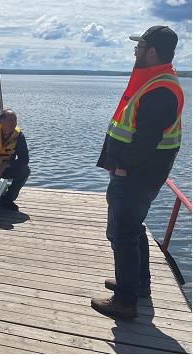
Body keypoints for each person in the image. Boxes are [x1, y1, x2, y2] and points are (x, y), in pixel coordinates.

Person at [91, 26, 183, 319]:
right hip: (134, 175)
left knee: (122, 232)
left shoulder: (161, 89)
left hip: (134, 177)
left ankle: (125, 301)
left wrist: (123, 166)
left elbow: (147, 140)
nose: (135, 51)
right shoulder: (154, 81)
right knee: (131, 229)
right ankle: (138, 284)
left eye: (139, 46)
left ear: (152, 51)